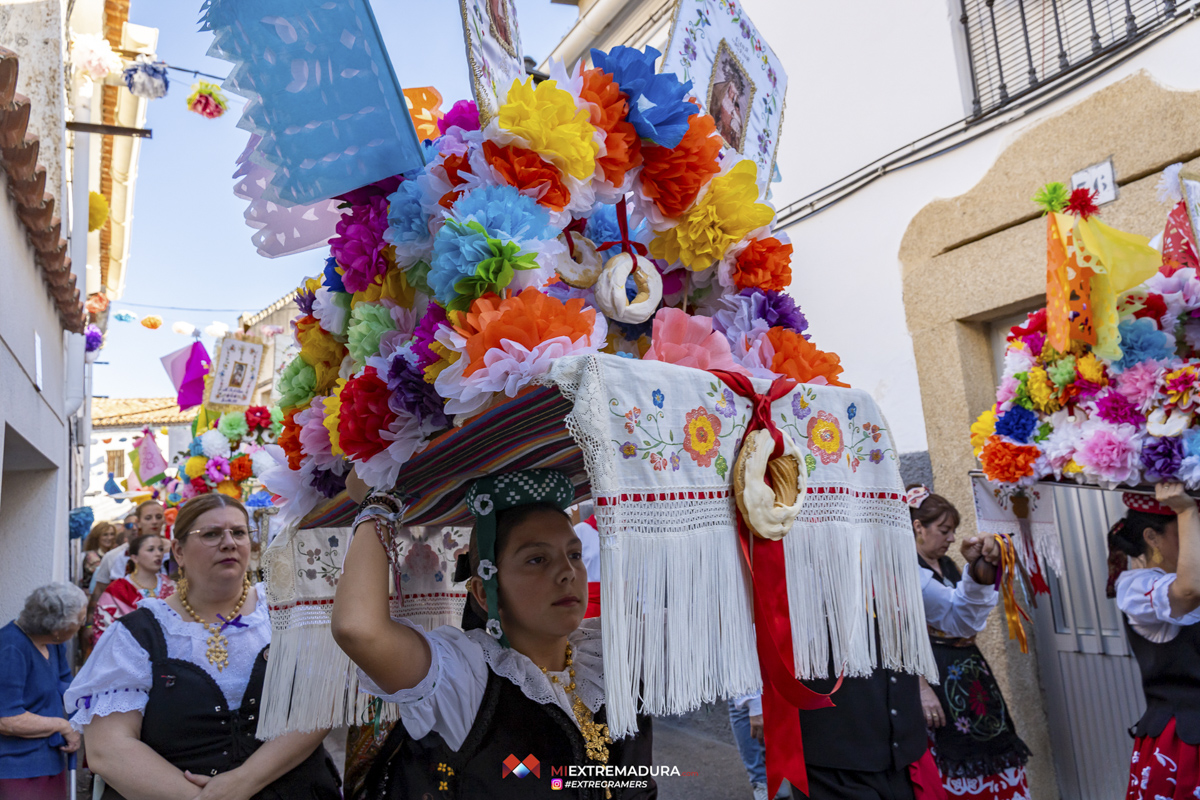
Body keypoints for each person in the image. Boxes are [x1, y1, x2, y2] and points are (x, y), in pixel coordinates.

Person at [332, 469, 655, 799]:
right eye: (537, 559)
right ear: (485, 593)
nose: (567, 573)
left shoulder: (606, 656)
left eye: (574, 554)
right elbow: (359, 629)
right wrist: (379, 500)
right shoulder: (466, 678)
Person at [66, 493, 341, 800]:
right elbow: (109, 749)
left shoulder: (286, 611)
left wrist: (243, 782)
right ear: (179, 551)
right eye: (211, 534)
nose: (229, 543)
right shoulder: (137, 634)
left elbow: (319, 709)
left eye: (238, 533)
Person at [798, 497, 1002, 800]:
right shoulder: (803, 574)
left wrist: (979, 571)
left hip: (901, 757)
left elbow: (957, 619)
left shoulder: (901, 571)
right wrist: (753, 705)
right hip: (837, 761)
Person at [909, 486, 1031, 800]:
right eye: (944, 530)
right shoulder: (909, 571)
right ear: (917, 527)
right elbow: (957, 620)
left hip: (968, 667)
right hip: (936, 670)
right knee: (954, 748)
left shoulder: (946, 565)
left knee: (990, 736)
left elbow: (965, 621)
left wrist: (977, 569)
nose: (951, 538)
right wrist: (920, 687)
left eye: (953, 531)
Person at [1108, 483, 1200, 800]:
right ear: (1152, 537)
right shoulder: (1137, 587)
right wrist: (1187, 509)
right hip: (1187, 741)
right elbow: (1188, 593)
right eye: (1187, 529)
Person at [0, 583, 87, 800]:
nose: (83, 625)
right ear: (58, 630)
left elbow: (65, 684)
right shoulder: (10, 648)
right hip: (17, 769)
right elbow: (7, 719)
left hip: (51, 758)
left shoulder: (53, 643)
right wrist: (63, 726)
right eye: (80, 621)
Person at [91, 534, 176, 645]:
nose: (158, 554)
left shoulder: (172, 586)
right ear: (134, 557)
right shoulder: (117, 590)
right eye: (151, 549)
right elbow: (103, 628)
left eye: (160, 549)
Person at [91, 501, 165, 598]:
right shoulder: (118, 556)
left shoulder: (175, 550)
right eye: (148, 518)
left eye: (159, 517)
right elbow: (100, 591)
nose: (154, 522)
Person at [81, 522, 119, 591]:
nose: (109, 538)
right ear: (97, 537)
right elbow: (105, 575)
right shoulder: (91, 556)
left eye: (112, 534)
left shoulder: (115, 554)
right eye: (105, 535)